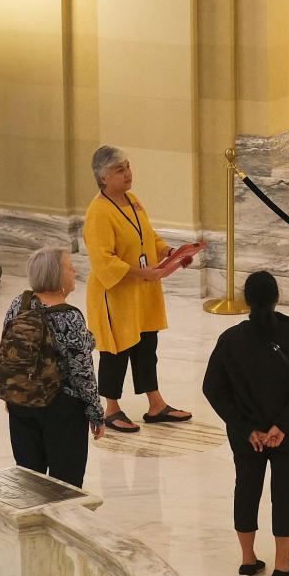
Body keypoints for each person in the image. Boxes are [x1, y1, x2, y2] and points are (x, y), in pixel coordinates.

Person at [203, 271, 289, 576]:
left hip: (247, 437)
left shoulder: (230, 339)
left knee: (246, 490)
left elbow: (212, 388)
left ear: (246, 300)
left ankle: (248, 560)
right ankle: (283, 567)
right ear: (276, 297)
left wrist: (246, 428)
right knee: (285, 496)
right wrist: (281, 427)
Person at [83, 145, 192, 433]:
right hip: (115, 293)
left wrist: (171, 252)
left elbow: (148, 237)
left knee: (146, 346)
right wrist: (140, 272)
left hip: (141, 291)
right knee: (116, 351)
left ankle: (155, 404)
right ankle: (112, 408)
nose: (128, 173)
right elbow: (103, 260)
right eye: (120, 170)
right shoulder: (98, 212)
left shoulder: (132, 200)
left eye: (128, 166)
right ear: (104, 177)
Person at [2, 246, 104, 487]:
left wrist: (10, 395)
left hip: (21, 402)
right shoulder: (70, 317)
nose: (74, 271)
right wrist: (95, 414)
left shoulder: (20, 303)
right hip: (61, 408)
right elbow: (82, 373)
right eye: (69, 267)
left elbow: (7, 348)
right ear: (57, 276)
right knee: (65, 485)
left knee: (29, 482)